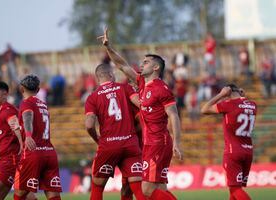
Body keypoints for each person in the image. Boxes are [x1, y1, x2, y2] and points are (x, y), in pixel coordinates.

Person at [98, 28, 182, 200]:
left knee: (146, 190)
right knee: (160, 188)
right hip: (151, 143)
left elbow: (173, 115)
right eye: (143, 61)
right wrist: (108, 47)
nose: (142, 64)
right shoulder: (142, 82)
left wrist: (177, 143)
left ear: (156, 67)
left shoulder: (162, 89)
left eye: (147, 62)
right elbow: (121, 65)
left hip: (158, 143)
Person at [85, 63, 145, 200]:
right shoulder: (125, 88)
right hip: (130, 144)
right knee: (138, 189)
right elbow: (142, 106)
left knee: (97, 187)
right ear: (111, 75)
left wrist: (98, 140)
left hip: (108, 146)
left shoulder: (92, 97)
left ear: (97, 78)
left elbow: (89, 125)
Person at [201, 84, 256, 200]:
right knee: (235, 189)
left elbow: (204, 109)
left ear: (228, 92)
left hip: (233, 151)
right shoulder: (253, 105)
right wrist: (241, 95)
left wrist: (220, 95)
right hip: (248, 151)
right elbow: (242, 104)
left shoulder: (228, 104)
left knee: (235, 189)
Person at [13, 75, 62, 200]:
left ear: (22, 89)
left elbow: (28, 115)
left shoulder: (26, 103)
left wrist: (28, 135)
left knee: (19, 193)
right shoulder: (44, 105)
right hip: (50, 153)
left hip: (33, 152)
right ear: (38, 90)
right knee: (53, 195)